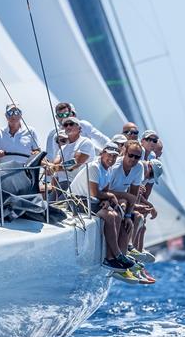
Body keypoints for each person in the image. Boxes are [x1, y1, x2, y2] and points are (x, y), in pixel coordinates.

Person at [69, 142, 137, 273]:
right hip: (78, 201)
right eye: (109, 155)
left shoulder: (109, 169)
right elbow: (95, 192)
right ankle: (117, 255)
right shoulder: (94, 167)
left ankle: (111, 258)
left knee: (116, 215)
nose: (111, 159)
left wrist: (106, 200)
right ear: (102, 154)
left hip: (92, 201)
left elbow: (104, 191)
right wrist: (110, 196)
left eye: (114, 156)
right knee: (110, 216)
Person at [107, 141, 157, 279]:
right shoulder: (115, 167)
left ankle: (124, 263)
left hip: (121, 201)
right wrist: (125, 198)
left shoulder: (139, 167)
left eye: (137, 157)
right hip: (105, 198)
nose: (134, 159)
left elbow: (133, 194)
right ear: (124, 152)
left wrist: (129, 215)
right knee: (119, 211)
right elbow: (103, 190)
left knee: (131, 220)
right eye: (131, 155)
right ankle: (116, 258)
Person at [43, 117, 95, 197]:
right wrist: (47, 166)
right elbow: (55, 163)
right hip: (61, 185)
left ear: (79, 128)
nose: (68, 127)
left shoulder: (85, 142)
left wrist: (53, 168)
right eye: (65, 125)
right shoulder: (63, 148)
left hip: (77, 185)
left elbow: (75, 163)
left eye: (71, 124)